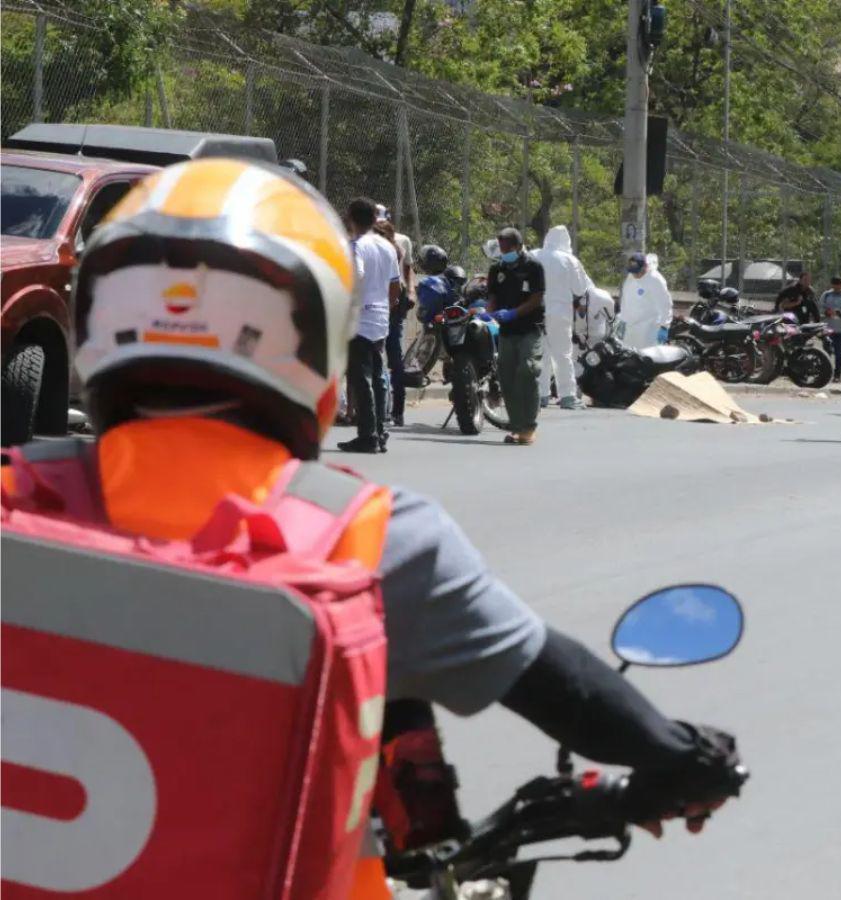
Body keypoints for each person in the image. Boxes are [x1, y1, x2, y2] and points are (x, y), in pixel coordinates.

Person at [46, 157, 741, 897]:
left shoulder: (16, 497)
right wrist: (678, 755)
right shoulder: (370, 540)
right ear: (312, 347)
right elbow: (558, 687)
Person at [342, 196, 401, 454]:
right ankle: (379, 431)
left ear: (351, 219)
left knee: (361, 377)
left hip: (359, 318)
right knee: (378, 375)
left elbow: (355, 278)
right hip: (380, 317)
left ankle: (367, 435)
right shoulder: (387, 246)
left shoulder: (356, 246)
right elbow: (394, 286)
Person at [486, 227, 546, 445]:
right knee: (507, 377)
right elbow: (492, 297)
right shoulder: (496, 269)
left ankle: (528, 426)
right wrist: (489, 313)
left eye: (506, 247)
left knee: (528, 370)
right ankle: (517, 427)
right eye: (500, 247)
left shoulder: (533, 267)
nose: (503, 251)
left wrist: (513, 313)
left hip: (530, 328)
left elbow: (536, 299)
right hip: (507, 332)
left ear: (518, 247)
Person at [532, 225, 589, 409]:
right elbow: (581, 289)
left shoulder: (533, 255)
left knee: (541, 354)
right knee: (563, 355)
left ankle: (540, 395)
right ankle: (567, 396)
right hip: (559, 314)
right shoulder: (569, 260)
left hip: (535, 312)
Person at [375, 213, 415, 426]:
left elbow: (406, 273)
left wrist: (410, 292)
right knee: (392, 356)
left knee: (384, 357)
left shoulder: (394, 245)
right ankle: (391, 410)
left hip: (386, 305)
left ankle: (391, 410)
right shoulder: (392, 246)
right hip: (389, 303)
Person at [618, 252, 673, 351]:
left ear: (645, 267)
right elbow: (626, 300)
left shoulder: (656, 280)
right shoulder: (631, 276)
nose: (634, 274)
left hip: (649, 328)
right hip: (631, 328)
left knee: (646, 358)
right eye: (632, 272)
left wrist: (664, 326)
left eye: (637, 272)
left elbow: (665, 305)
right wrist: (622, 320)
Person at [819, 276, 841, 382]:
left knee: (839, 353)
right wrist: (826, 312)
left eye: (838, 286)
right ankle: (826, 374)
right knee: (827, 352)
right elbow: (820, 307)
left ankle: (837, 375)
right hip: (828, 328)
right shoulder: (826, 295)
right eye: (834, 286)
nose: (836, 288)